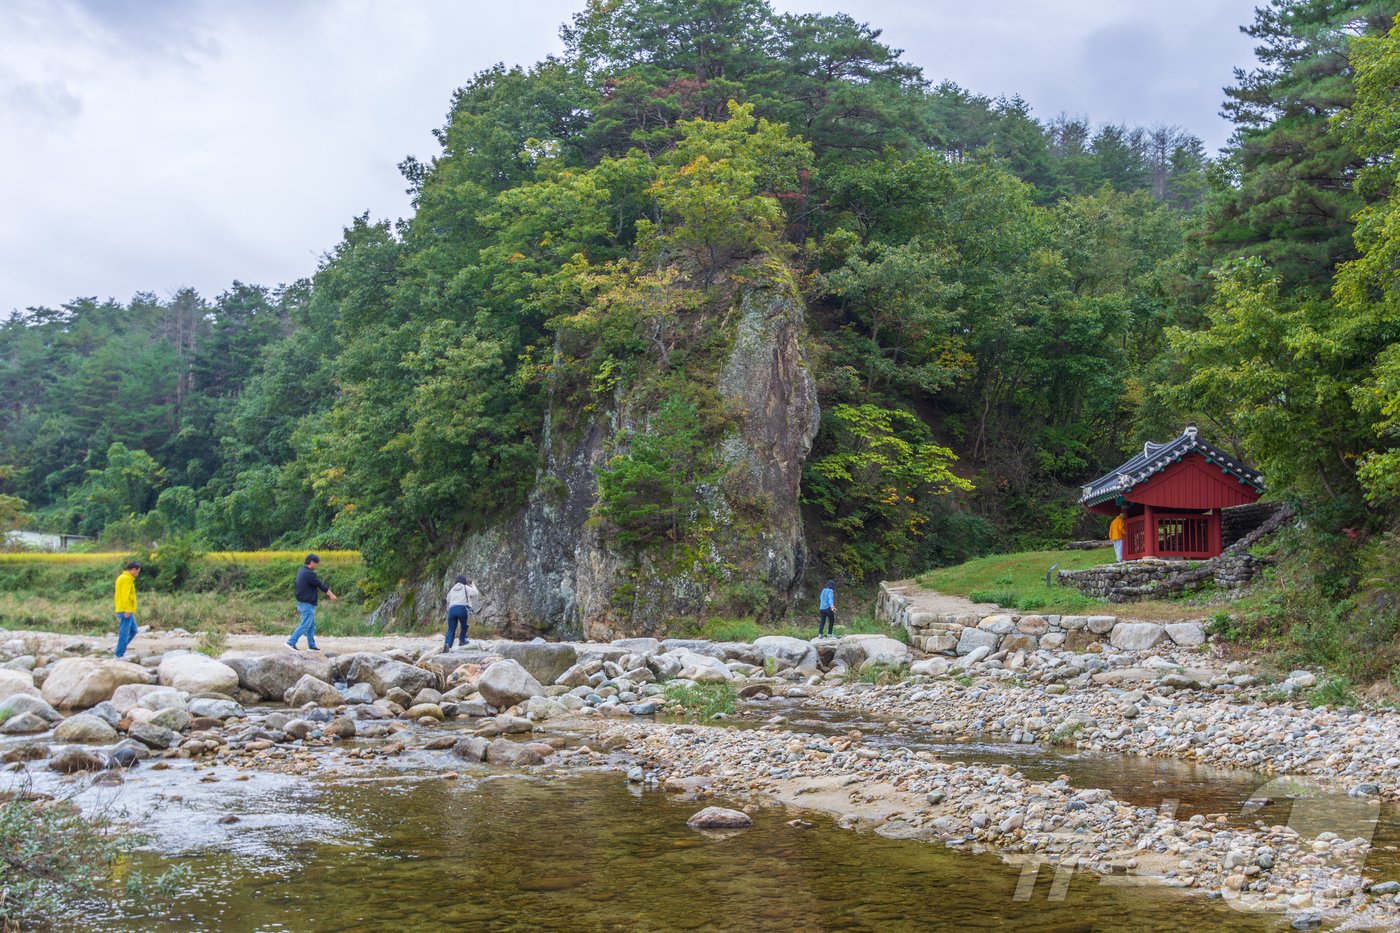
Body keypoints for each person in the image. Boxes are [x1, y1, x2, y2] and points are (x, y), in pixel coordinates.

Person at [287, 553, 336, 651]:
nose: (317, 565)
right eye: (316, 563)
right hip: (306, 604)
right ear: (312, 562)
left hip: (304, 603)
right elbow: (320, 585)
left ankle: (312, 646)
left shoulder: (301, 571)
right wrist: (331, 595)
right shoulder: (309, 573)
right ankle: (291, 642)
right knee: (305, 625)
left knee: (311, 626)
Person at [113, 560, 141, 658]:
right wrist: (128, 609)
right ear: (133, 570)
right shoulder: (126, 579)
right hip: (125, 610)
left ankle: (119, 648)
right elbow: (125, 596)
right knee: (124, 633)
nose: (138, 574)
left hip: (125, 609)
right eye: (138, 571)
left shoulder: (124, 577)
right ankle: (119, 654)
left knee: (133, 630)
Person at [443, 575, 480, 650]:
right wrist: (473, 585)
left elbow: (448, 600)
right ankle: (462, 640)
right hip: (462, 609)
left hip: (452, 610)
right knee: (464, 625)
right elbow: (475, 593)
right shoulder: (466, 587)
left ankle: (447, 644)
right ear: (464, 581)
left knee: (451, 628)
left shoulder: (452, 589)